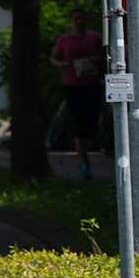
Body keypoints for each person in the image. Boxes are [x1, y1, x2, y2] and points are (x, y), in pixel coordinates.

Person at [51, 9, 104, 179]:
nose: (79, 21)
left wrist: (96, 61)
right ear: (71, 21)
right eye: (76, 19)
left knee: (93, 120)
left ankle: (92, 147)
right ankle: (84, 163)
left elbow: (105, 56)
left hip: (92, 84)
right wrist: (63, 64)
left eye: (82, 18)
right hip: (73, 86)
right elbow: (54, 58)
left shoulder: (94, 38)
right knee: (79, 123)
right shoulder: (64, 40)